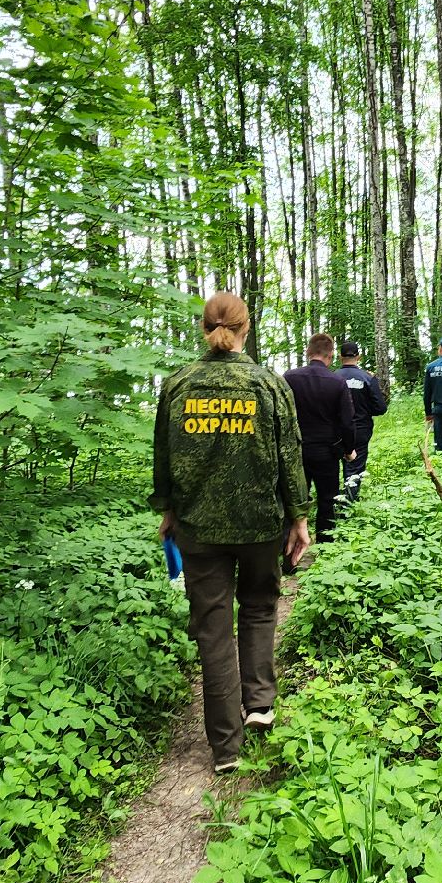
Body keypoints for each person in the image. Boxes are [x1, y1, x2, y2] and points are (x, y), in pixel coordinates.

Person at [151, 292, 312, 775]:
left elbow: (163, 453)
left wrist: (167, 509)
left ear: (205, 328)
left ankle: (225, 747)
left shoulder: (178, 384)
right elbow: (290, 453)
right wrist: (300, 516)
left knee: (213, 626)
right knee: (260, 606)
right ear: (246, 328)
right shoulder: (267, 384)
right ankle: (259, 703)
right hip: (261, 523)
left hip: (198, 526)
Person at [283, 333, 357, 541]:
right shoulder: (337, 382)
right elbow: (347, 422)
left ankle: (289, 555)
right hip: (327, 452)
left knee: (295, 501)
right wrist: (349, 449)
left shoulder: (289, 378)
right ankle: (324, 548)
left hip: (295, 453)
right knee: (328, 500)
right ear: (331, 355)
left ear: (308, 352)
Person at [335, 339, 389, 503]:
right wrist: (364, 409)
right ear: (358, 357)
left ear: (340, 356)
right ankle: (349, 504)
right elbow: (380, 408)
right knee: (355, 468)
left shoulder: (333, 377)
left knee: (333, 467)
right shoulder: (367, 378)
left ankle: (333, 502)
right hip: (360, 429)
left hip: (335, 432)